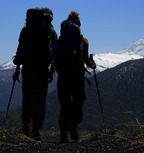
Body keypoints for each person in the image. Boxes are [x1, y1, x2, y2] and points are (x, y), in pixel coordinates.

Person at [12, 7, 57, 140]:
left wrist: (17, 70)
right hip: (42, 69)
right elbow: (54, 53)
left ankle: (25, 125)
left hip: (27, 68)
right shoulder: (50, 30)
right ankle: (36, 130)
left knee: (27, 98)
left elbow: (20, 49)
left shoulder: (26, 29)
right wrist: (51, 71)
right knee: (39, 100)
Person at [55, 11, 96, 143]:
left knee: (64, 102)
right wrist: (92, 65)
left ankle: (63, 132)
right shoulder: (83, 41)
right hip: (77, 75)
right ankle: (73, 123)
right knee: (79, 99)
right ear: (78, 26)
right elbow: (86, 60)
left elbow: (54, 57)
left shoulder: (59, 41)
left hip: (63, 74)